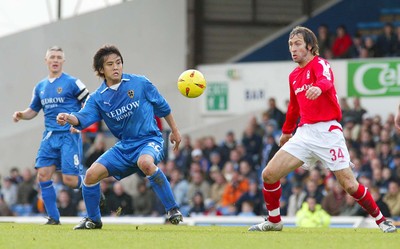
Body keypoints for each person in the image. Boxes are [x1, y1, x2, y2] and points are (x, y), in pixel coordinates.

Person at [248, 26, 397, 233]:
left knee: (350, 185)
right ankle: (274, 221)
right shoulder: (293, 76)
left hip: (328, 133)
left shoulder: (320, 64)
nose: (293, 48)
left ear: (310, 46)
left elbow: (326, 79)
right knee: (269, 175)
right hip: (304, 133)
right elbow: (293, 107)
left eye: (298, 43)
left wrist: (319, 87)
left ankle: (382, 220)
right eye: (291, 44)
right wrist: (286, 131)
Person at [56, 44, 183, 229]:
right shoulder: (98, 98)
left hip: (150, 140)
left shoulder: (140, 83)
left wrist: (175, 130)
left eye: (118, 62)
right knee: (90, 175)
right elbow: (82, 118)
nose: (116, 67)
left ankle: (172, 210)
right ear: (101, 69)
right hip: (124, 147)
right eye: (110, 64)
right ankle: (93, 219)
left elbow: (163, 107)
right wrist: (68, 117)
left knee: (146, 163)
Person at [12, 45, 89, 224]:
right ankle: (54, 218)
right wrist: (21, 115)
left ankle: (93, 187)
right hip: (49, 136)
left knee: (70, 180)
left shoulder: (73, 82)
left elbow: (89, 101)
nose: (55, 60)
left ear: (63, 61)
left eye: (58, 57)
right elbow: (33, 110)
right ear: (46, 61)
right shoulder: (40, 86)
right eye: (52, 57)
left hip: (69, 135)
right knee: (43, 175)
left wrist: (78, 121)